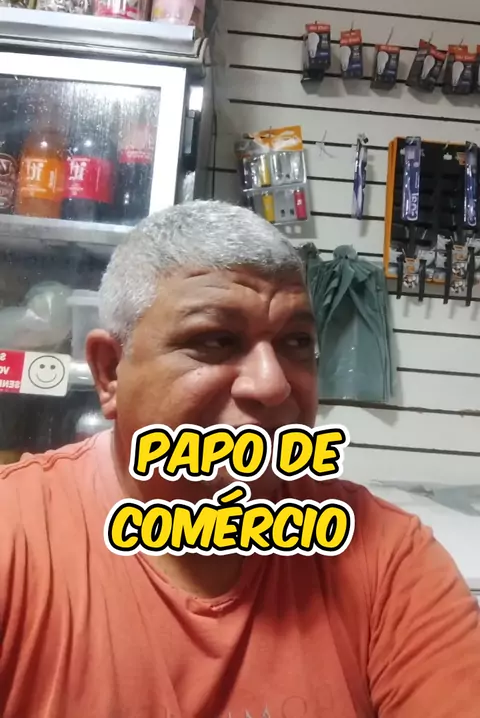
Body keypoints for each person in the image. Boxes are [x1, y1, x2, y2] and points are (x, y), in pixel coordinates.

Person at [0, 200, 479, 718]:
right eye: (215, 340)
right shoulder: (16, 536)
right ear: (110, 373)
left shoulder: (389, 558)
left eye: (297, 342)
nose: (273, 385)